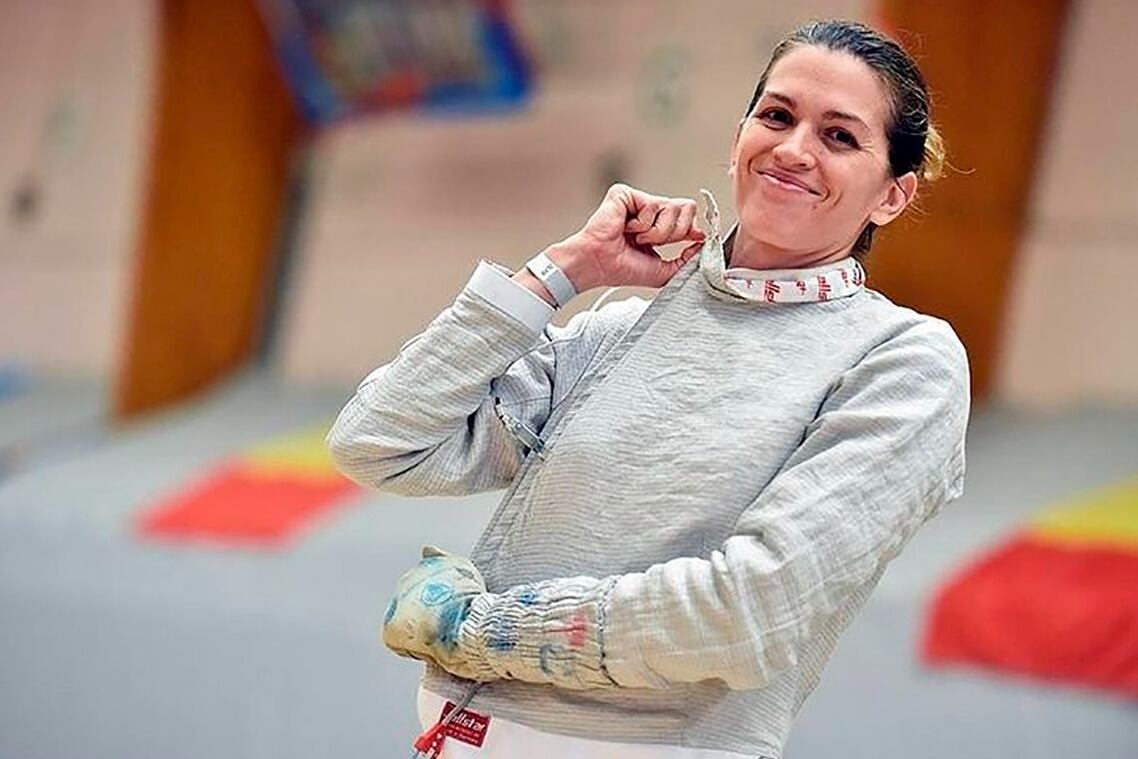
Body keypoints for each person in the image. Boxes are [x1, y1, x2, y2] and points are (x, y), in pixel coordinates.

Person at [328, 19, 969, 759]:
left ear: (892, 195)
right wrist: (560, 272)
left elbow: (746, 613)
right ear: (738, 140)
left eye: (840, 137)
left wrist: (483, 631)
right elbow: (378, 442)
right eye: (778, 116)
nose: (794, 149)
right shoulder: (619, 331)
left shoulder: (900, 359)